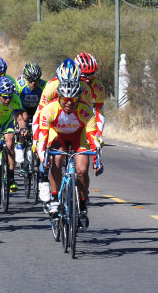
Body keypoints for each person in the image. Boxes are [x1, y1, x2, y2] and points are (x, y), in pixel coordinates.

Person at [35, 80, 100, 226]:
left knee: (82, 171)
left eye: (73, 99)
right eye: (65, 99)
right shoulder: (49, 110)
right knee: (57, 158)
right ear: (59, 97)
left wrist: (97, 160)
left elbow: (93, 139)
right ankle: (54, 200)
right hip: (57, 135)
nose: (69, 103)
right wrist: (43, 159)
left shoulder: (86, 112)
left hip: (78, 137)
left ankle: (82, 207)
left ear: (79, 98)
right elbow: (42, 139)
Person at [0, 76, 27, 192]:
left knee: (10, 143)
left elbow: (20, 117)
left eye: (10, 97)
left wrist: (23, 128)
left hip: (7, 124)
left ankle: (11, 177)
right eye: (5, 97)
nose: (8, 100)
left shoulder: (15, 99)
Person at [75, 52, 106, 141]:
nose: (88, 78)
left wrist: (98, 135)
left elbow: (99, 112)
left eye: (91, 74)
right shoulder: (72, 83)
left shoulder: (98, 87)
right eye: (85, 75)